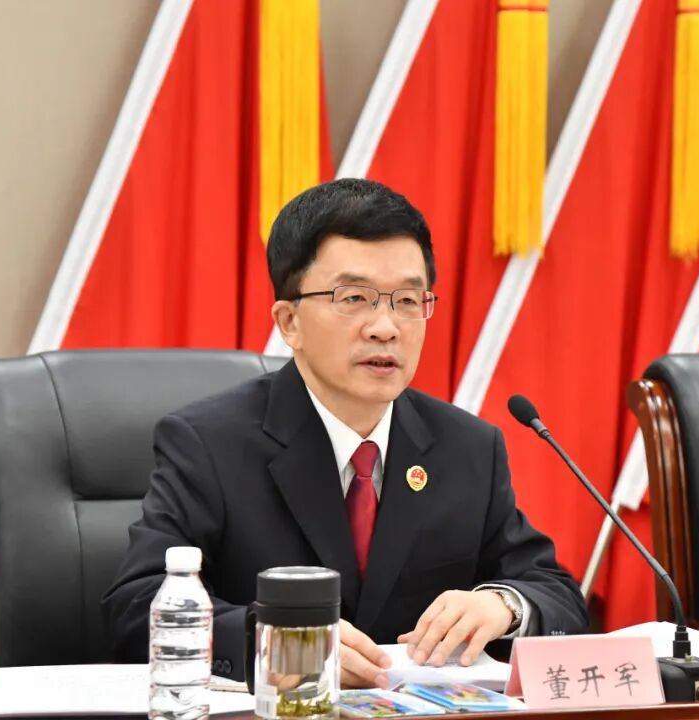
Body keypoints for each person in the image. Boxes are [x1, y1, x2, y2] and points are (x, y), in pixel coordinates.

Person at [102, 178, 587, 687]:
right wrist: (282, 646)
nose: (386, 327)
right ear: (289, 322)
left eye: (407, 300)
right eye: (354, 297)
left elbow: (554, 592)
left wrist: (503, 605)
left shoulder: (468, 448)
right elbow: (137, 606)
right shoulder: (208, 443)